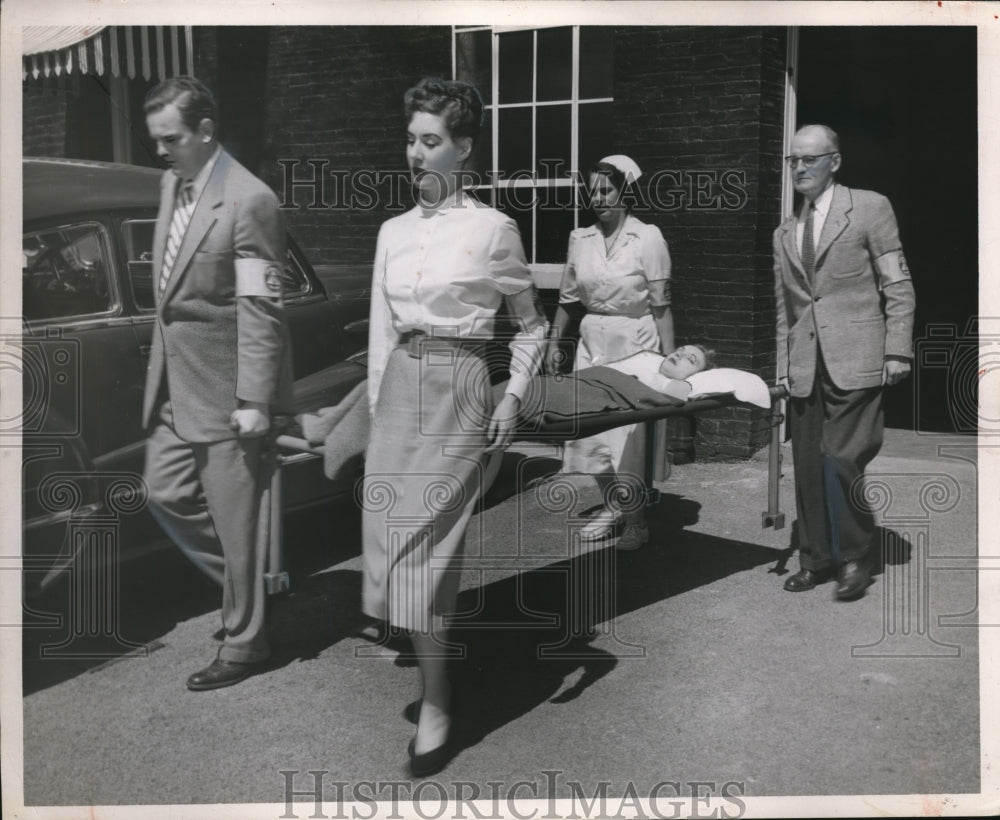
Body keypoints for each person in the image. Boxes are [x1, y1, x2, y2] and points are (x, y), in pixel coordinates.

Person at [362, 77, 547, 776]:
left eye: (430, 141)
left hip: (462, 388)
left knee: (428, 557)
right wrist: (379, 408)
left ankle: (436, 696)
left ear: (462, 148)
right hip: (401, 391)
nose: (415, 153)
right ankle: (428, 653)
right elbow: (383, 331)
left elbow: (531, 328)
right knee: (391, 546)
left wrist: (512, 397)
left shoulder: (493, 229)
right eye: (410, 139)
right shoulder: (391, 232)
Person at [141, 76, 293, 689]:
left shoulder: (250, 199)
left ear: (205, 131)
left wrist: (256, 399)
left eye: (170, 138)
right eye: (154, 140)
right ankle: (249, 588)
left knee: (237, 519)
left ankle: (247, 642)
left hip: (229, 391)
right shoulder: (171, 184)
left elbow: (263, 309)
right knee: (163, 490)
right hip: (175, 383)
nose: (161, 151)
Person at [774, 124, 915, 600]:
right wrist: (783, 366)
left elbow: (896, 283)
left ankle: (855, 555)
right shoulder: (786, 231)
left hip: (856, 356)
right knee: (808, 463)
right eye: (793, 160)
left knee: (840, 459)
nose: (799, 168)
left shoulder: (870, 208)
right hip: (806, 365)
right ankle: (815, 558)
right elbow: (786, 310)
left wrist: (897, 348)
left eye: (809, 159)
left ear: (834, 161)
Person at [544, 155, 675, 551]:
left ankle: (636, 522)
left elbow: (662, 306)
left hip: (635, 344)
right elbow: (568, 299)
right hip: (592, 343)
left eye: (607, 189)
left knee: (626, 441)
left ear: (624, 192)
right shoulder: (580, 239)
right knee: (592, 439)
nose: (599, 197)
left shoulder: (647, 238)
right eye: (593, 190)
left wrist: (671, 364)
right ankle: (614, 505)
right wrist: (554, 341)